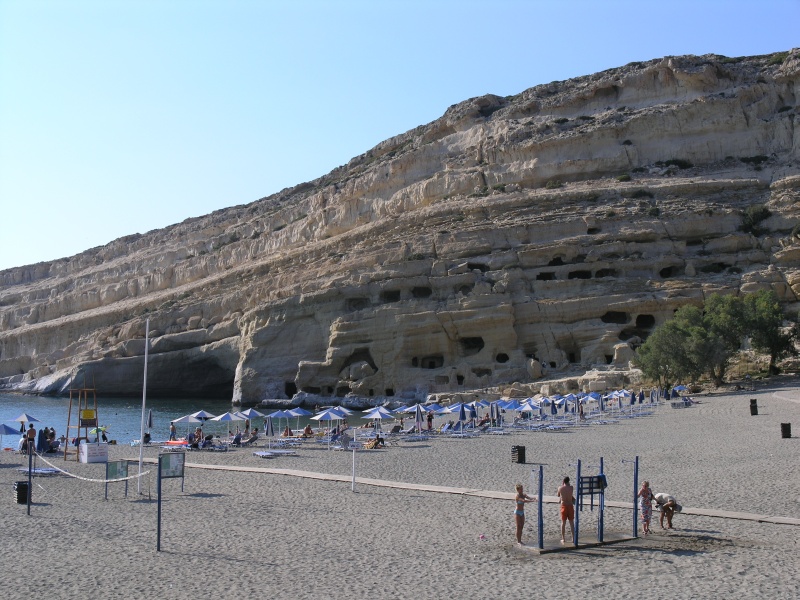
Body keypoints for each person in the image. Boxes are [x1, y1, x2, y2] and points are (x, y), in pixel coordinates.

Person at [557, 476, 575, 544]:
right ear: (569, 481)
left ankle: (563, 538)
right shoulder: (571, 487)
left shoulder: (560, 488)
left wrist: (562, 485)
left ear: (563, 481)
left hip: (563, 505)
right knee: (571, 523)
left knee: (563, 523)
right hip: (570, 505)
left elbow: (558, 495)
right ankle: (573, 538)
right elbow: (571, 495)